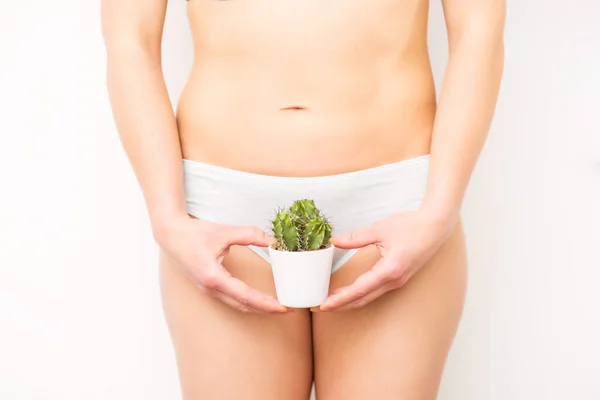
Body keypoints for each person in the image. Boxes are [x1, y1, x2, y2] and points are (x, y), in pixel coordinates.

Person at [101, 0, 505, 398]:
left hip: (394, 204)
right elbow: (129, 39)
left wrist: (437, 213)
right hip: (221, 214)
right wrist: (168, 219)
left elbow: (478, 30)